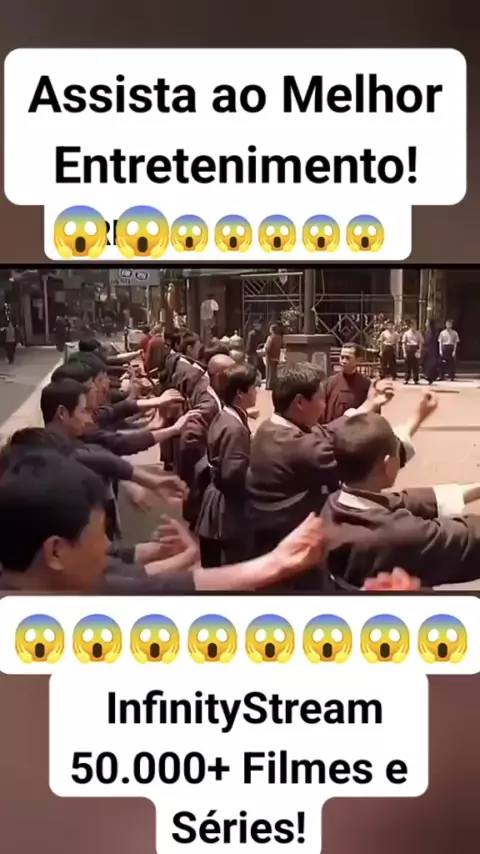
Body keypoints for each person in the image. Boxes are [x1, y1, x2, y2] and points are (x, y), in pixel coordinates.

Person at [0, 451, 327, 594]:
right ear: (55, 551)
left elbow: (149, 585)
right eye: (99, 534)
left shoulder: (64, 584)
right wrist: (274, 564)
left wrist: (273, 564)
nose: (108, 545)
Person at [247, 362, 417, 565]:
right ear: (300, 403)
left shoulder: (270, 428)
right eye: (321, 399)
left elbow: (326, 431)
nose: (324, 405)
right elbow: (364, 457)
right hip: (293, 554)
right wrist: (416, 419)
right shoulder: (301, 448)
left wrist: (370, 404)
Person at [320, 397, 480, 588]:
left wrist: (475, 490)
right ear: (389, 464)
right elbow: (466, 539)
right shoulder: (397, 534)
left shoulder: (334, 504)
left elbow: (404, 501)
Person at [196, 363, 257, 567]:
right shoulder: (234, 429)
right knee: (232, 569)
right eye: (253, 388)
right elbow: (234, 476)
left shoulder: (226, 415)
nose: (256, 392)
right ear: (240, 393)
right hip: (227, 511)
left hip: (217, 501)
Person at [323, 343, 371, 423]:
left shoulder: (365, 384)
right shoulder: (330, 382)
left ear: (358, 360)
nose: (343, 361)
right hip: (332, 428)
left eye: (348, 358)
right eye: (342, 357)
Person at [402, 319, 423, 384]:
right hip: (409, 348)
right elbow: (403, 343)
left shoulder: (418, 333)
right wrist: (404, 352)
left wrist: (419, 350)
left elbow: (421, 342)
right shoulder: (406, 333)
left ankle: (416, 379)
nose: (414, 327)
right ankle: (406, 379)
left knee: (415, 365)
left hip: (415, 348)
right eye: (413, 325)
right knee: (407, 365)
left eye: (415, 325)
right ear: (410, 325)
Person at [264, 323, 283, 390]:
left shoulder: (270, 338)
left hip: (270, 356)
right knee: (274, 372)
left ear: (271, 330)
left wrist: (264, 351)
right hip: (277, 356)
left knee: (269, 372)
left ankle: (269, 385)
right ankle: (274, 385)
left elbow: (267, 347)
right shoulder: (279, 338)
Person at [423, 319, 440, 385]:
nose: (425, 323)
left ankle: (431, 377)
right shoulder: (427, 332)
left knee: (431, 364)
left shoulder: (433, 332)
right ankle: (429, 376)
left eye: (426, 322)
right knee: (427, 364)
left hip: (432, 350)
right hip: (428, 349)